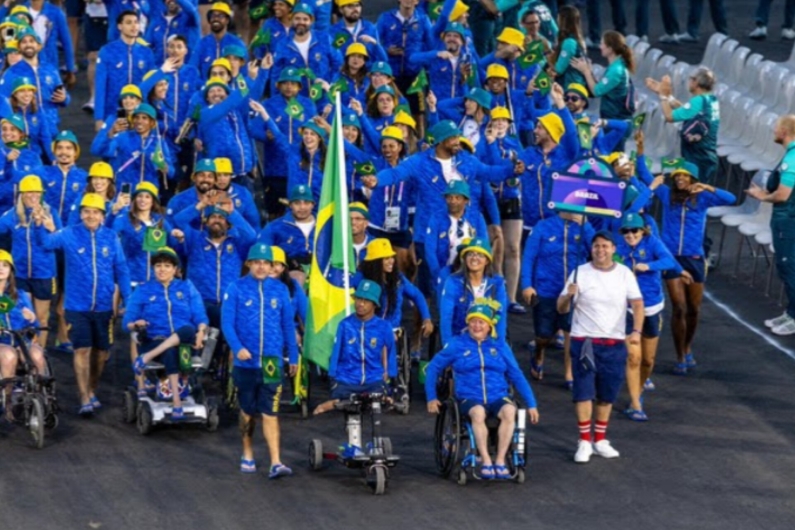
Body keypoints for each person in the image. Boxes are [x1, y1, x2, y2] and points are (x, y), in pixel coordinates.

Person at [39, 193, 131, 417]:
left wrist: (128, 299)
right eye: (87, 211)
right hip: (76, 306)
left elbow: (121, 269)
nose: (91, 215)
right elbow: (47, 243)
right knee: (81, 349)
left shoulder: (111, 237)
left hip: (103, 307)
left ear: (102, 215)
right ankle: (83, 397)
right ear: (81, 213)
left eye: (96, 212)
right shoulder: (69, 234)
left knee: (101, 354)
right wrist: (44, 224)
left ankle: (92, 389)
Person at [425, 302, 539, 480]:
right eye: (473, 321)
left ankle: (500, 461)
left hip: (497, 396)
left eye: (481, 322)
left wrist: (531, 404)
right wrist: (431, 397)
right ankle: (486, 460)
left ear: (489, 326)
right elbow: (433, 368)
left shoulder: (500, 346)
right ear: (468, 323)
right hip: (468, 397)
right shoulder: (457, 344)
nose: (477, 326)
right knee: (478, 413)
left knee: (510, 411)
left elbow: (516, 375)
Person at [557, 231, 644, 464]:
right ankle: (584, 440)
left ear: (614, 249)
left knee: (607, 393)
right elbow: (561, 308)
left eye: (605, 246)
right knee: (584, 392)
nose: (600, 250)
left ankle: (600, 439)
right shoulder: (579, 273)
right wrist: (568, 295)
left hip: (614, 342)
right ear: (591, 249)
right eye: (596, 246)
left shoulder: (624, 274)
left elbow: (637, 303)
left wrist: (636, 331)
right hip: (584, 341)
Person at [642, 162, 735, 374]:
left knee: (694, 310)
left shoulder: (702, 197)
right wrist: (639, 152)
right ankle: (680, 356)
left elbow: (731, 199)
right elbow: (646, 175)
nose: (679, 180)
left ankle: (687, 346)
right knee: (679, 307)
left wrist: (707, 187)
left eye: (684, 176)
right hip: (672, 257)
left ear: (692, 178)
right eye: (677, 177)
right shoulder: (667, 195)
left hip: (694, 258)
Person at [222, 243, 298, 478]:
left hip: (271, 362)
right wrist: (238, 348)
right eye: (257, 262)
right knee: (247, 411)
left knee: (270, 412)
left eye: (266, 263)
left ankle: (276, 461)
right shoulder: (236, 288)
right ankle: (247, 452)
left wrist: (293, 355)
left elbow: (288, 324)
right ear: (249, 264)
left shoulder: (280, 290)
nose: (262, 266)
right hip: (245, 363)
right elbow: (227, 323)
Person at [615, 213, 683, 421]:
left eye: (634, 230)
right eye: (626, 231)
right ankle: (635, 403)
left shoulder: (652, 242)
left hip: (652, 307)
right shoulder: (618, 247)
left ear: (642, 231)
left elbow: (669, 261)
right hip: (627, 309)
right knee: (633, 357)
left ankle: (640, 389)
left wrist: (649, 266)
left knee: (647, 360)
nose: (630, 234)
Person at [127, 247, 208, 419]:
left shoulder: (187, 287)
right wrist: (135, 324)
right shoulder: (143, 290)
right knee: (171, 350)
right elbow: (127, 322)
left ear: (175, 269)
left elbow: (200, 315)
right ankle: (177, 402)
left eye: (167, 266)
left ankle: (146, 358)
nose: (162, 269)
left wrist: (201, 331)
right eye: (158, 266)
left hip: (185, 342)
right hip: (154, 339)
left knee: (187, 330)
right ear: (153, 269)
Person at [521, 211, 594, 387]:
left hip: (573, 291)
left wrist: (587, 226)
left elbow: (596, 251)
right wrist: (526, 285)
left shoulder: (584, 226)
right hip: (545, 289)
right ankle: (538, 352)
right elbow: (529, 257)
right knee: (544, 335)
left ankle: (569, 373)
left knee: (571, 331)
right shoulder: (543, 226)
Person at [313, 280, 396, 415]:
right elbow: (336, 353)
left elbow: (391, 353)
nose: (360, 304)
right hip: (347, 379)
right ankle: (333, 404)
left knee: (380, 402)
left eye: (366, 301)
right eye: (358, 299)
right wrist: (333, 377)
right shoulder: (344, 325)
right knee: (345, 403)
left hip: (373, 379)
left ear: (374, 304)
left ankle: (377, 432)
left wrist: (392, 378)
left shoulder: (384, 327)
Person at [746, 115, 795, 335]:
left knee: (789, 268)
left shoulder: (792, 159)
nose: (773, 131)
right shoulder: (789, 155)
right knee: (786, 268)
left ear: (785, 131)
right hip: (784, 220)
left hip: (788, 221)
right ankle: (791, 311)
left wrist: (761, 196)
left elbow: (783, 195)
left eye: (776, 127)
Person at [0, 175, 61, 350]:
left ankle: (38, 354)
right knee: (22, 317)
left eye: (37, 193)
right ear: (21, 194)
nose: (33, 196)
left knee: (41, 318)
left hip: (44, 273)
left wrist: (52, 229)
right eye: (29, 193)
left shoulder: (51, 213)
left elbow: (62, 241)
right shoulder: (12, 216)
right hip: (19, 275)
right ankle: (21, 355)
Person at [647, 67, 719, 186]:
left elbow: (669, 117)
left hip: (698, 158)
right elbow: (687, 111)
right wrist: (668, 97)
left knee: (691, 195)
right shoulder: (710, 100)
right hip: (706, 157)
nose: (689, 82)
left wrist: (663, 96)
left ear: (696, 82)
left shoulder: (698, 101)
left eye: (691, 79)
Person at [93, 11, 155, 132]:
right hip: (114, 112)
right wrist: (99, 118)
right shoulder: (107, 51)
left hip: (140, 114)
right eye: (128, 23)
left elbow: (152, 86)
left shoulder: (146, 52)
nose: (133, 26)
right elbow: (100, 86)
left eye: (136, 22)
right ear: (120, 26)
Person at [0, 249, 45, 414]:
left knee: (37, 356)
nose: (1, 268)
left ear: (11, 270)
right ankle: (8, 400)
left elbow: (36, 326)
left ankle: (40, 399)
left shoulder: (20, 295)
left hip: (21, 340)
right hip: (2, 342)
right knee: (9, 355)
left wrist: (32, 319)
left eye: (5, 265)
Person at [440, 237, 508, 345]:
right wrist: (447, 345)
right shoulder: (453, 282)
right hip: (459, 340)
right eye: (470, 254)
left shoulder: (497, 283)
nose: (474, 258)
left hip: (488, 341)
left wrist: (499, 345)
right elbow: (446, 317)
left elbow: (501, 318)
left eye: (480, 255)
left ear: (487, 261)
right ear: (465, 258)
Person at [425, 180, 488, 294]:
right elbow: (430, 250)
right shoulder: (436, 218)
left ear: (466, 200)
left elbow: (484, 246)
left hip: (472, 272)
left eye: (457, 198)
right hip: (446, 272)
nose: (453, 201)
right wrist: (438, 274)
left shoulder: (477, 218)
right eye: (449, 197)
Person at [256, 185, 316, 286]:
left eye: (306, 202)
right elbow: (260, 253)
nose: (302, 207)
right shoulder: (275, 227)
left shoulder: (324, 227)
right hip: (286, 277)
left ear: (312, 205)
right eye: (297, 203)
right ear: (290, 205)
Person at [571, 30, 635, 122]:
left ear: (610, 48)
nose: (600, 47)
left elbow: (597, 91)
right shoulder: (616, 66)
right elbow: (600, 87)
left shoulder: (616, 71)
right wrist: (588, 71)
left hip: (615, 119)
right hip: (612, 117)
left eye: (602, 44)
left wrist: (586, 71)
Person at [197, 2, 246, 78]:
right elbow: (193, 69)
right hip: (207, 88)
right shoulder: (202, 43)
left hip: (231, 88)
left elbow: (244, 73)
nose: (216, 18)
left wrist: (235, 88)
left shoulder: (237, 43)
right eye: (213, 16)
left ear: (227, 20)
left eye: (220, 16)